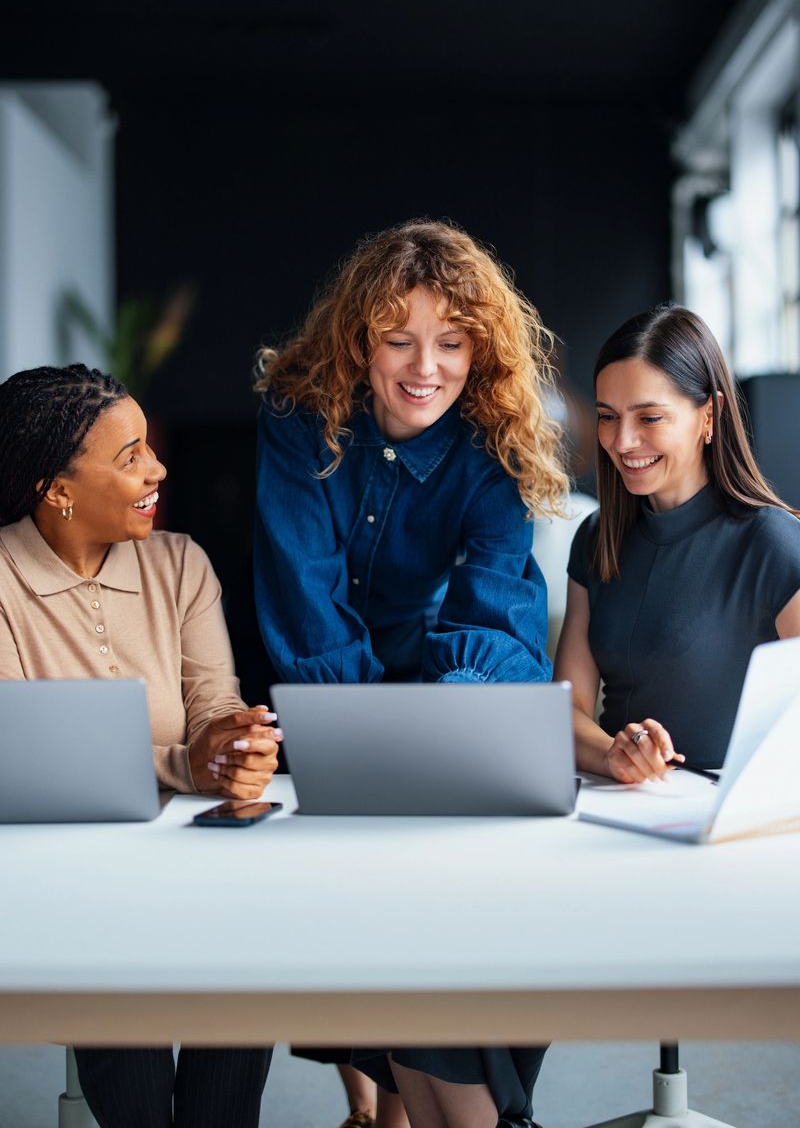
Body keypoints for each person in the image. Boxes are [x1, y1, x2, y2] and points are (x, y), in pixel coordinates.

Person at [253, 219, 568, 1128]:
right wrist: (364, 747)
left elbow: (491, 616)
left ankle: (464, 1109)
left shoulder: (497, 438)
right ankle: (375, 1104)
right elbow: (304, 595)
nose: (424, 366)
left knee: (457, 882)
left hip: (452, 670)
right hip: (321, 667)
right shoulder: (297, 414)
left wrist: (434, 733)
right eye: (398, 339)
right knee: (345, 888)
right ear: (361, 339)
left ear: (480, 349)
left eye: (452, 341)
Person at [0, 364, 280, 1128]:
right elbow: (25, 756)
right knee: (111, 939)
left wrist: (233, 744)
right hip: (61, 867)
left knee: (247, 943)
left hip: (191, 856)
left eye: (151, 447)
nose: (157, 466)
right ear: (56, 489)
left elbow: (211, 703)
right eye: (130, 457)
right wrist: (183, 764)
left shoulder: (179, 562)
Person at [554, 304, 800, 782]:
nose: (622, 441)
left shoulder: (773, 543)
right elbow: (568, 709)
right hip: (615, 805)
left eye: (649, 417)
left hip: (724, 817)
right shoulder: (596, 538)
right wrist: (615, 754)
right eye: (608, 416)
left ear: (710, 415)